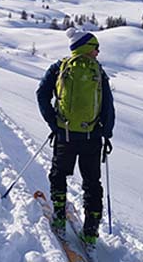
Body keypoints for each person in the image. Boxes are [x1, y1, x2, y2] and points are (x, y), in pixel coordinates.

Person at [36, 28, 115, 247]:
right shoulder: (98, 71)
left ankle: (59, 215)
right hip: (91, 138)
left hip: (65, 135)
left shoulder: (59, 67)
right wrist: (106, 133)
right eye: (95, 47)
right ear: (88, 48)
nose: (98, 52)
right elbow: (108, 105)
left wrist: (54, 122)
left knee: (59, 173)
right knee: (92, 183)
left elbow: (42, 94)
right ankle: (90, 231)